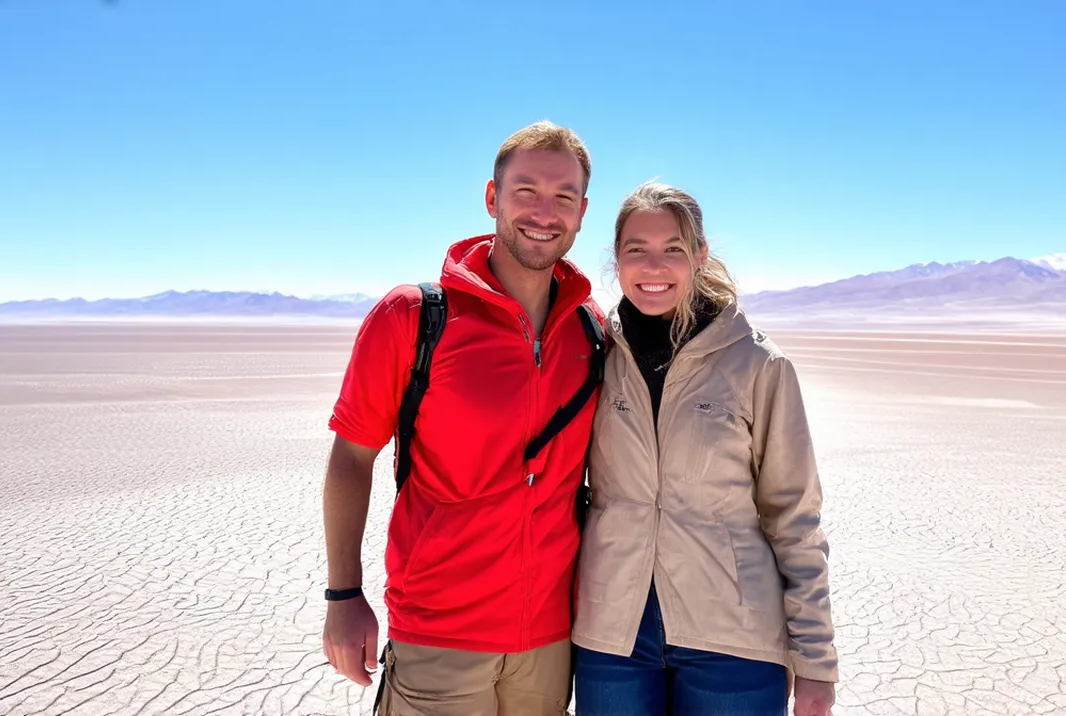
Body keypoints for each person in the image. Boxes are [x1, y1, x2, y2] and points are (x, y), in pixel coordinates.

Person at [321, 120, 604, 716]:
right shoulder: (414, 318)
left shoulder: (591, 330)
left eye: (564, 196)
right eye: (525, 190)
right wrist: (343, 595)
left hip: (551, 640)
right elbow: (352, 456)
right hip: (439, 633)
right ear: (492, 198)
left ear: (582, 211)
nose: (543, 212)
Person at [570, 181, 840, 716]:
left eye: (673, 249)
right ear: (615, 261)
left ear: (699, 256)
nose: (654, 266)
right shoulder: (594, 353)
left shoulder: (758, 365)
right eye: (636, 250)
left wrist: (815, 661)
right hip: (612, 636)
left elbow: (794, 518)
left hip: (733, 640)